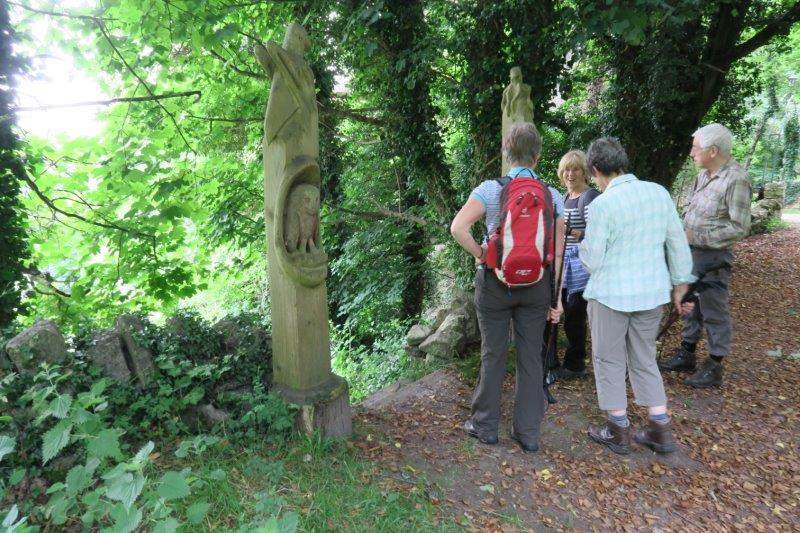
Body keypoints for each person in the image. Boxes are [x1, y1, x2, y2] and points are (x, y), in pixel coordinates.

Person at [450, 122, 565, 453]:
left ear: (506, 153)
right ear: (538, 156)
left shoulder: (490, 189)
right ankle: (527, 433)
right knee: (531, 356)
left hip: (495, 284)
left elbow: (458, 227)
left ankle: (485, 425)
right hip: (537, 286)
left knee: (493, 353)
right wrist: (555, 296)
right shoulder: (551, 195)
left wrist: (483, 253)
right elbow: (557, 250)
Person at [579, 137, 695, 455]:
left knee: (608, 358)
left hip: (610, 295)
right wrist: (681, 282)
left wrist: (580, 245)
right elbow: (676, 240)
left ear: (594, 169)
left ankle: (617, 430)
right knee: (644, 357)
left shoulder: (602, 204)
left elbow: (593, 259)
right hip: (651, 292)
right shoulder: (658, 193)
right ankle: (660, 428)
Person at [659, 124, 751, 388]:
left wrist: (697, 237)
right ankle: (686, 353)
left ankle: (714, 365)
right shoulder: (702, 176)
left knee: (713, 309)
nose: (691, 153)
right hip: (691, 255)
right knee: (690, 305)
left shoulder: (736, 179)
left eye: (695, 147)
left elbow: (739, 227)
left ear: (713, 150)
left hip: (714, 259)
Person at [545, 150, 600, 380]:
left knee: (575, 316)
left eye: (576, 168)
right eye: (566, 169)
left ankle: (575, 364)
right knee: (554, 312)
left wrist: (571, 232)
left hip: (579, 268)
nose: (570, 173)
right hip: (561, 265)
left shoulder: (589, 197)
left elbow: (598, 234)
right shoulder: (564, 198)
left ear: (585, 172)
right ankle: (552, 363)